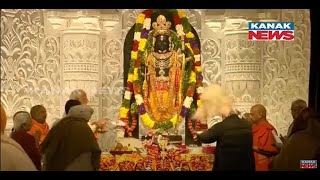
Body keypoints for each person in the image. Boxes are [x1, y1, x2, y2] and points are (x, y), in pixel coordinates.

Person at [194, 85, 255, 171]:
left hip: (226, 165)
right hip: (246, 165)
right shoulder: (247, 124)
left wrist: (197, 135)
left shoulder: (222, 126)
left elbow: (207, 138)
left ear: (225, 114)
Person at [41, 105, 101, 171]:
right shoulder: (82, 126)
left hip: (57, 164)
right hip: (78, 165)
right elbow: (95, 149)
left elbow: (46, 145)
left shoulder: (59, 124)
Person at [1, 104, 37, 171]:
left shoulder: (12, 135)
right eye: (30, 122)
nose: (32, 124)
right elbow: (35, 157)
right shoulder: (28, 138)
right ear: (23, 125)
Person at [250, 104, 279, 171]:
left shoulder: (268, 129)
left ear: (260, 114)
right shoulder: (254, 127)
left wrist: (250, 146)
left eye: (252, 114)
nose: (250, 117)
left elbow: (270, 150)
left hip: (264, 164)